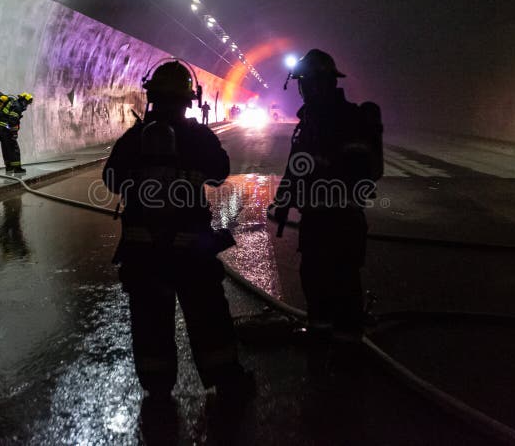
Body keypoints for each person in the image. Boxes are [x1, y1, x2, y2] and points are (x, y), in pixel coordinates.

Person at [103, 60, 253, 402]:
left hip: (143, 250)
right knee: (208, 315)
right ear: (190, 99)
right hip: (191, 248)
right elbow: (219, 172)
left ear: (151, 96)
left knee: (150, 320)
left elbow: (110, 179)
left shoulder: (134, 137)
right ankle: (226, 380)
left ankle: (157, 389)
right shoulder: (197, 136)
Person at [272, 49, 383, 341]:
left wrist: (320, 175)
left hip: (336, 219)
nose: (303, 89)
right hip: (327, 218)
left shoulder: (340, 120)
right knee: (322, 280)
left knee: (337, 280)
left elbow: (355, 168)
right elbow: (296, 165)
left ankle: (343, 350)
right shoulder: (316, 120)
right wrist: (284, 200)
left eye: (305, 83)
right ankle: (325, 337)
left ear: (318, 83)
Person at [0, 83, 33, 174]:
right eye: (27, 103)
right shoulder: (18, 107)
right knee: (14, 148)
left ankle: (9, 167)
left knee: (5, 148)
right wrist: (14, 133)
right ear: (23, 101)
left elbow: (0, 95)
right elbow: (12, 122)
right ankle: (17, 168)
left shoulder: (11, 100)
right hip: (6, 129)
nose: (26, 106)